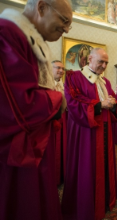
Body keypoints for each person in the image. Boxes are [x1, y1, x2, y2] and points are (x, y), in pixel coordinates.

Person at [0, 0, 72, 219]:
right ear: (42, 8)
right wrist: (57, 100)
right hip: (18, 151)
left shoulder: (29, 37)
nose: (67, 29)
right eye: (64, 20)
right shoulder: (7, 32)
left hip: (35, 143)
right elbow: (16, 104)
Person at [61, 48, 117, 220]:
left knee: (104, 164)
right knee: (87, 168)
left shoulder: (106, 82)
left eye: (106, 63)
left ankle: (104, 200)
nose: (104, 66)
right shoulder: (74, 77)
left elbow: (111, 103)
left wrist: (112, 104)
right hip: (86, 133)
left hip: (105, 131)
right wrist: (98, 105)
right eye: (100, 62)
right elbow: (73, 103)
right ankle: (85, 206)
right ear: (89, 59)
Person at [52, 60, 68, 185]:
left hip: (65, 120)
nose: (61, 71)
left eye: (63, 69)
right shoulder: (44, 84)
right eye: (58, 68)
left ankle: (63, 175)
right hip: (50, 121)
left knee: (64, 146)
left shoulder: (66, 86)